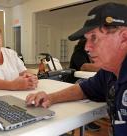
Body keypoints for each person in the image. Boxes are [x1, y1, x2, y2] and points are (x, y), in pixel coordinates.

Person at [26, 2, 127, 135]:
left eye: (94, 38)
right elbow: (84, 89)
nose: (86, 47)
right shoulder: (108, 73)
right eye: (86, 40)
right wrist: (51, 97)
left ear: (124, 38)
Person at [69, 37, 101, 131]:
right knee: (88, 88)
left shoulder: (90, 54)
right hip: (74, 80)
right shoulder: (79, 53)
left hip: (85, 78)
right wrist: (106, 66)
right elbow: (84, 67)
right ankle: (86, 120)